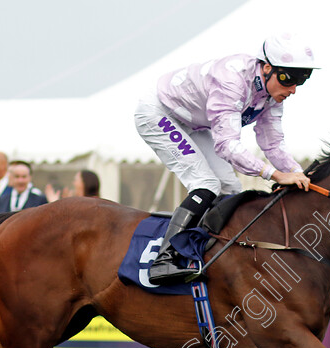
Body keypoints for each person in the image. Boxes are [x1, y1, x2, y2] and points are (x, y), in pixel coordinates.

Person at [134, 33, 314, 285]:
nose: (293, 89)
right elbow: (227, 145)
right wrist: (275, 175)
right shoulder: (232, 81)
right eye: (288, 79)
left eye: (302, 81)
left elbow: (272, 144)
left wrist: (299, 174)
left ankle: (208, 252)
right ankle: (165, 260)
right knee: (206, 183)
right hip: (159, 113)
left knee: (231, 188)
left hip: (195, 123)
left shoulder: (272, 96)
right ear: (266, 67)